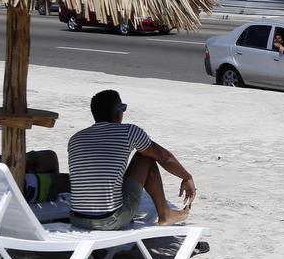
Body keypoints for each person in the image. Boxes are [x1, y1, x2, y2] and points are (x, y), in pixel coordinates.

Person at [68, 90, 195, 229]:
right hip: (110, 219)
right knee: (146, 157)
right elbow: (165, 157)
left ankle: (164, 213)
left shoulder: (75, 139)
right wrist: (187, 177)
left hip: (77, 218)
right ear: (118, 113)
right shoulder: (129, 132)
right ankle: (165, 214)